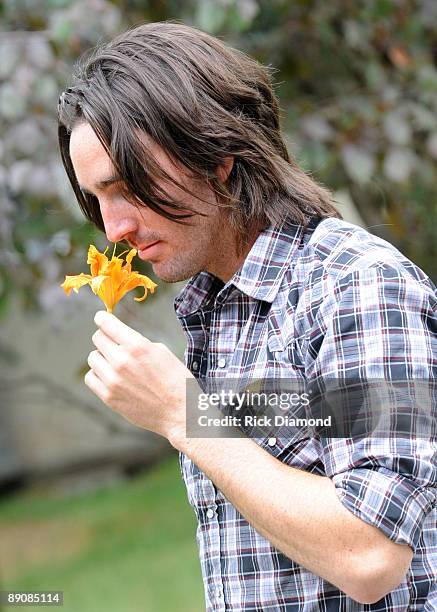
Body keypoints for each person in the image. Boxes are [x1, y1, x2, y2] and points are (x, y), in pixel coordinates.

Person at [57, 22, 436, 611]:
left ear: (219, 155)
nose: (114, 231)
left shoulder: (353, 286)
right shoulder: (218, 311)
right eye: (97, 199)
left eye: (128, 186)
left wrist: (181, 415)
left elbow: (373, 554)